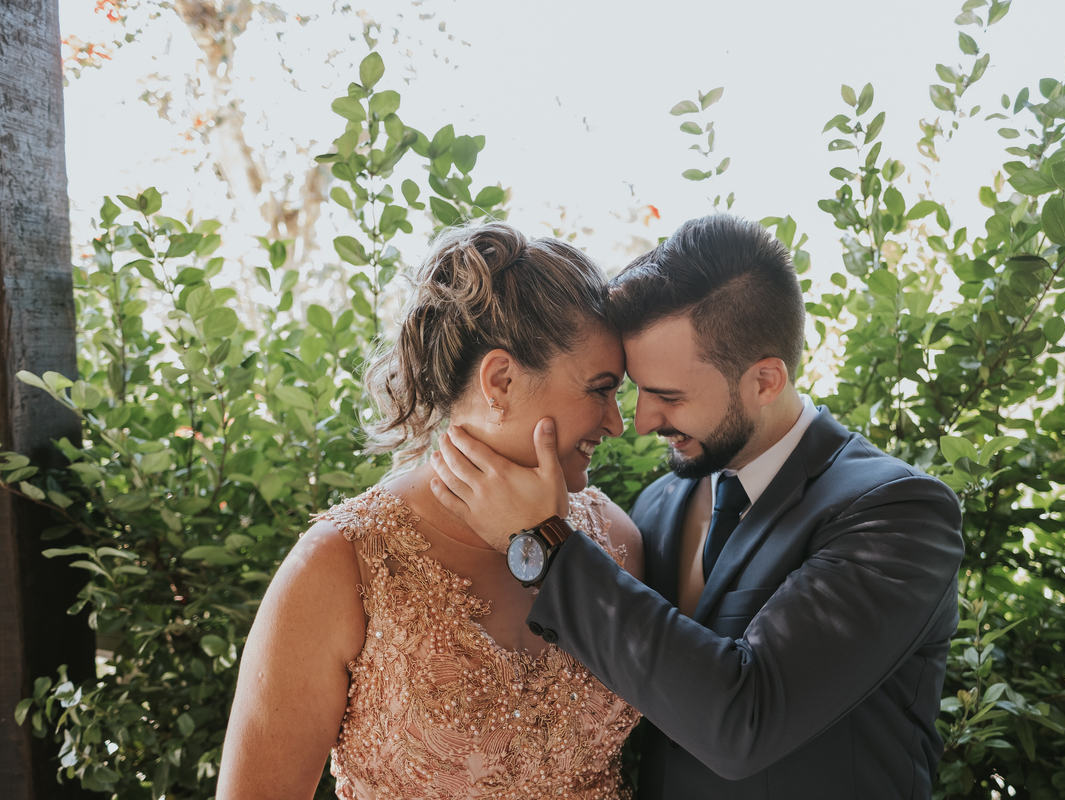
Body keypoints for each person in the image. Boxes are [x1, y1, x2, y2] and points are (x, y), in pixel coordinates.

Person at [430, 214, 965, 799]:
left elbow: (745, 722)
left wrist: (544, 543)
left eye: (669, 396)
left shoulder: (897, 514)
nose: (641, 421)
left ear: (764, 380)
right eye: (637, 390)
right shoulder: (657, 506)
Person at [216, 222, 644, 800]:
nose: (618, 423)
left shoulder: (616, 540)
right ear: (501, 379)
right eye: (600, 389)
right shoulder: (342, 566)